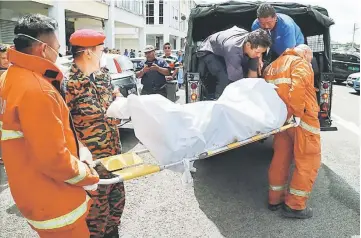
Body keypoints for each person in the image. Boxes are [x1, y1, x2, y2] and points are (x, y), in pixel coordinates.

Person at [0, 14, 99, 238]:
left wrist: (79, 147)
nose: (59, 54)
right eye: (57, 48)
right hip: (56, 202)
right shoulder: (38, 89)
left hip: (31, 192)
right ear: (43, 49)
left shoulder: (9, 78)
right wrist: (88, 175)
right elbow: (53, 159)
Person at [63, 29, 125, 237]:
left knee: (116, 207)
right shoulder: (68, 85)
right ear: (88, 52)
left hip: (114, 158)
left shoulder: (103, 77)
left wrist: (123, 106)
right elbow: (64, 127)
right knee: (96, 217)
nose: (103, 53)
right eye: (101, 49)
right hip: (91, 164)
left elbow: (113, 111)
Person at [263, 44, 320, 219]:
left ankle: (275, 199)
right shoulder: (300, 63)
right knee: (308, 160)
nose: (310, 62)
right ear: (305, 53)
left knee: (280, 157)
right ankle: (295, 206)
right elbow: (298, 88)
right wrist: (296, 114)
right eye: (310, 58)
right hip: (302, 119)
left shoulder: (271, 67)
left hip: (282, 121)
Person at [197, 26, 271, 99]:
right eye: (258, 52)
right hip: (209, 50)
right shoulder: (233, 50)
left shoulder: (254, 44)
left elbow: (252, 75)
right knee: (225, 77)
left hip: (226, 48)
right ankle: (219, 101)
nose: (259, 55)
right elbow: (236, 83)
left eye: (261, 53)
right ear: (248, 45)